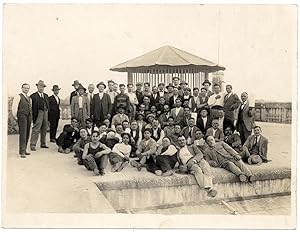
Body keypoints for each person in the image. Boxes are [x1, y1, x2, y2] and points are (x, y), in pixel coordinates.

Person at [12, 83, 32, 158]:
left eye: (28, 88)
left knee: (27, 133)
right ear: (22, 88)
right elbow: (14, 108)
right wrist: (16, 117)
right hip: (22, 116)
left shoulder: (29, 98)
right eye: (25, 88)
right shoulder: (18, 96)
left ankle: (24, 149)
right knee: (23, 133)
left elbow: (30, 107)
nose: (26, 89)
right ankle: (22, 151)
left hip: (28, 116)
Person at [29, 80, 50, 151]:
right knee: (36, 129)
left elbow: (48, 106)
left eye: (43, 87)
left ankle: (43, 143)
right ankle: (32, 144)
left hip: (45, 112)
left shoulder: (46, 96)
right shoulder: (33, 96)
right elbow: (31, 107)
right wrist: (32, 117)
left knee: (44, 128)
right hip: (38, 113)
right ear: (37, 87)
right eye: (40, 86)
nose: (41, 88)